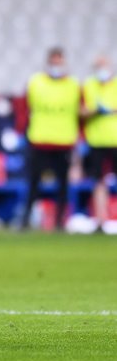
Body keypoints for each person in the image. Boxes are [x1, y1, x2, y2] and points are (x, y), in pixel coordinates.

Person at [21, 47, 81, 231]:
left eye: (59, 62)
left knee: (63, 185)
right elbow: (26, 110)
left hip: (63, 142)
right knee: (33, 183)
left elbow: (79, 113)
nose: (56, 66)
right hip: (39, 140)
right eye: (53, 62)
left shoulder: (73, 85)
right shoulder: (36, 82)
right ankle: (26, 220)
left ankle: (59, 222)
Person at [81, 55, 117, 233]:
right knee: (98, 182)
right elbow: (81, 112)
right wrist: (95, 110)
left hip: (115, 139)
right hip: (96, 140)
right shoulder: (89, 86)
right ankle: (101, 221)